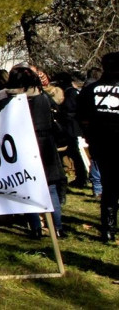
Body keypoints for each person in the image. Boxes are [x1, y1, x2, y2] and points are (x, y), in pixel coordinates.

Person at [0, 65, 65, 238]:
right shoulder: (44, 98)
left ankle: (35, 227)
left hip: (21, 145)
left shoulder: (7, 101)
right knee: (50, 188)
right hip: (45, 144)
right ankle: (57, 228)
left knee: (26, 187)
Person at [78, 52, 119, 242]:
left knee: (109, 186)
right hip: (107, 142)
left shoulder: (90, 90)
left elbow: (81, 117)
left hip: (101, 144)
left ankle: (108, 229)